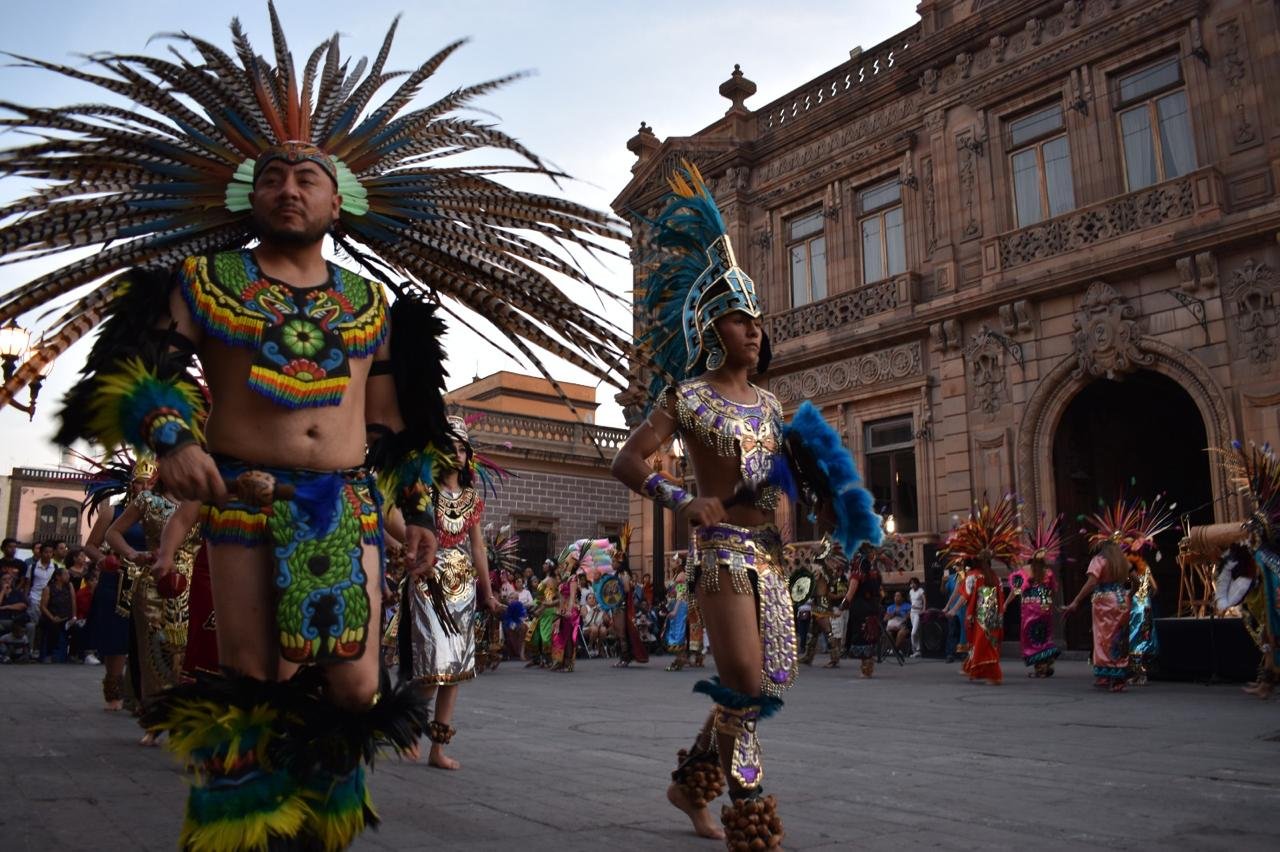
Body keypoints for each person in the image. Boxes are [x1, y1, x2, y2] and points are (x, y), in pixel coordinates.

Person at [17, 7, 627, 848]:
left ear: (341, 202)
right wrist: (174, 438)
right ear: (247, 193)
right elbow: (137, 372)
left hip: (347, 505)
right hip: (244, 498)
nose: (289, 187)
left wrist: (412, 507)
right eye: (273, 175)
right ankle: (249, 833)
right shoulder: (201, 280)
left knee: (353, 688)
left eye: (308, 178)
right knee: (255, 679)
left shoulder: (371, 304)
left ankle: (320, 829)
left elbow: (394, 428)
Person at [611, 164, 880, 848]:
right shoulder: (686, 398)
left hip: (771, 557)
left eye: (757, 320)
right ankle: (751, 821)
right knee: (746, 682)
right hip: (722, 557)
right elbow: (626, 460)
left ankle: (688, 786)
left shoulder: (770, 404)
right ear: (711, 325)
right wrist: (682, 497)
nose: (754, 331)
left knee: (757, 683)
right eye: (739, 318)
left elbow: (776, 475)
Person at [396, 416, 499, 769]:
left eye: (460, 449)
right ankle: (408, 727)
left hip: (462, 587)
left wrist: (487, 593)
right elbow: (402, 526)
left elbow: (479, 548)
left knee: (455, 668)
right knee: (431, 666)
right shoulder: (424, 492)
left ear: (468, 456)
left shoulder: (471, 499)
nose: (455, 454)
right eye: (448, 448)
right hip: (427, 580)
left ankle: (438, 749)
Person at [942, 497, 1023, 687]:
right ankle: (978, 670)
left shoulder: (974, 575)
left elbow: (964, 595)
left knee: (981, 643)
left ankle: (993, 675)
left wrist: (953, 611)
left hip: (980, 612)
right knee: (990, 643)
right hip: (992, 611)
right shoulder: (992, 576)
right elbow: (999, 594)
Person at [1065, 541, 1132, 692]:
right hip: (1122, 598)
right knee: (1119, 635)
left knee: (1104, 637)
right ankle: (1112, 673)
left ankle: (1113, 675)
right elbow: (1134, 577)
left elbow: (1091, 582)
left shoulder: (1099, 560)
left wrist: (1076, 600)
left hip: (1105, 600)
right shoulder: (1122, 560)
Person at [1006, 515, 1062, 678]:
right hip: (1045, 605)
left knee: (1032, 636)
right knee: (1044, 633)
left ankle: (1041, 667)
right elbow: (1053, 590)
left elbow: (1016, 590)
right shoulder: (1048, 571)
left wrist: (1006, 604)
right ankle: (1046, 661)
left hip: (1030, 606)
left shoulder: (1025, 570)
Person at [800, 542, 849, 669]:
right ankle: (808, 656)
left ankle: (834, 658)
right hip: (821, 600)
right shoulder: (825, 568)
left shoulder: (817, 568)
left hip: (820, 601)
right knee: (813, 631)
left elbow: (813, 585)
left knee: (827, 631)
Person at [842, 544, 883, 677]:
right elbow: (881, 592)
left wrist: (844, 603)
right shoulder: (874, 569)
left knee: (863, 637)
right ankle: (869, 669)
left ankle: (865, 670)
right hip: (873, 607)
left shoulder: (858, 567)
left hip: (860, 608)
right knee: (870, 636)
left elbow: (852, 590)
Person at [38, 567, 75, 663]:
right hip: (51, 617)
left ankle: (72, 654)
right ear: (58, 577)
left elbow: (73, 601)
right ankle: (50, 654)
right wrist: (52, 617)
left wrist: (73, 617)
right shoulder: (48, 588)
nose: (68, 576)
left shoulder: (69, 587)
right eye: (65, 574)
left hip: (65, 617)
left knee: (77, 628)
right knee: (53, 626)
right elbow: (43, 607)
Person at [907, 577, 926, 658]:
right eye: (911, 583)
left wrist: (924, 609)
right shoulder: (910, 591)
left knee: (913, 632)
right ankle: (917, 651)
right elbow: (911, 601)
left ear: (917, 583)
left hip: (918, 613)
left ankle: (916, 650)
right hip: (912, 612)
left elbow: (924, 600)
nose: (912, 585)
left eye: (914, 583)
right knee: (916, 632)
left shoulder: (920, 590)